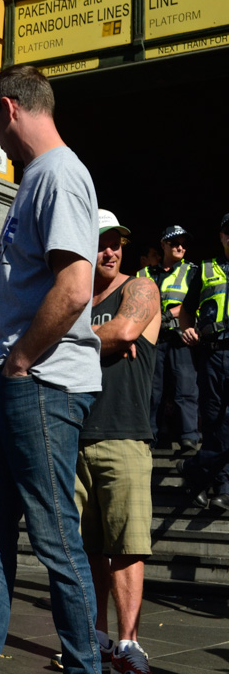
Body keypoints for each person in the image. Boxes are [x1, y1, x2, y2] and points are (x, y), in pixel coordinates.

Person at [0, 64, 102, 674]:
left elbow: (74, 287)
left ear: (8, 109)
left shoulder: (60, 174)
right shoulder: (40, 179)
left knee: (54, 533)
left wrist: (20, 360)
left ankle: (86, 664)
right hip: (16, 382)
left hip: (38, 384)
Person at [68, 210, 160, 674]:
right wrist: (93, 338)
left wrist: (69, 338)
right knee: (85, 549)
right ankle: (96, 636)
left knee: (126, 545)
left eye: (117, 242)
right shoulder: (75, 297)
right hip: (73, 434)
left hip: (124, 435)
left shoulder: (140, 289)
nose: (110, 250)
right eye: (101, 242)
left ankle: (128, 643)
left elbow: (126, 331)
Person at [177, 213, 229, 514]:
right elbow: (186, 310)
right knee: (212, 422)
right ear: (221, 236)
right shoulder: (206, 269)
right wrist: (187, 328)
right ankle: (220, 489)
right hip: (212, 355)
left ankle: (195, 471)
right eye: (228, 232)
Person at [138, 225, 200, 452]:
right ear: (163, 244)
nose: (180, 247)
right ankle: (149, 435)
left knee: (185, 389)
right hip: (153, 340)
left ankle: (189, 437)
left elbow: (194, 303)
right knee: (152, 391)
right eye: (175, 243)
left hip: (180, 338)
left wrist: (167, 315)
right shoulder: (144, 274)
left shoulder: (192, 270)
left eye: (184, 243)